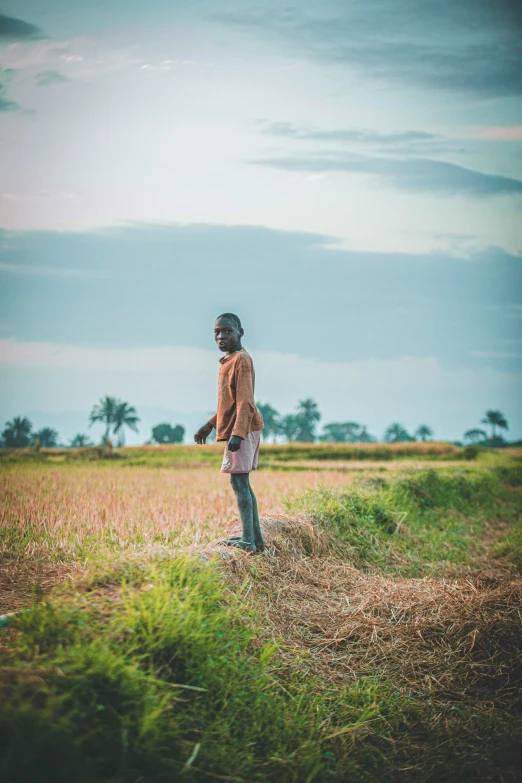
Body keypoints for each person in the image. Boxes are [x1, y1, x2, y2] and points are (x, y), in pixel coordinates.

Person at [194, 313, 265, 553]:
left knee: (239, 481)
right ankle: (255, 539)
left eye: (227, 331)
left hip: (243, 428)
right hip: (240, 426)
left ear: (240, 333)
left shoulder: (241, 360)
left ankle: (248, 540)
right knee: (241, 481)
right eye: (217, 332)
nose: (221, 336)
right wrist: (211, 423)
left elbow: (245, 402)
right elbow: (229, 402)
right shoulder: (231, 360)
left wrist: (238, 433)